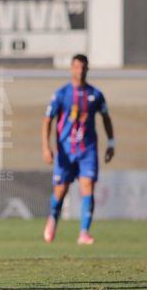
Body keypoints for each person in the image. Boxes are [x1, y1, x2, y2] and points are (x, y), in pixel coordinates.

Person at [42, 54, 114, 245]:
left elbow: (106, 118)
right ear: (71, 69)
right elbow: (47, 120)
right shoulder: (61, 94)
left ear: (87, 69)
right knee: (61, 190)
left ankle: (84, 233)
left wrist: (111, 143)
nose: (80, 71)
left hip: (87, 150)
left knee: (87, 186)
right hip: (65, 150)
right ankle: (53, 218)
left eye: (83, 67)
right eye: (76, 67)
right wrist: (46, 147)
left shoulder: (95, 95)